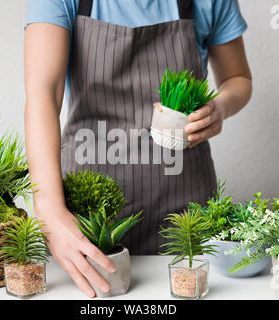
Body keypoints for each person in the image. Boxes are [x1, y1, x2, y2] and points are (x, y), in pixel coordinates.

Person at [24, 0, 252, 298]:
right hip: (89, 218)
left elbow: (238, 78)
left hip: (185, 210)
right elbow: (43, 92)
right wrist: (50, 210)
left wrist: (219, 107)